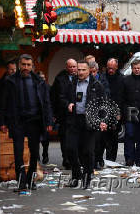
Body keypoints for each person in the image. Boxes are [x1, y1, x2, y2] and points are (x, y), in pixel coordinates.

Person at [0, 54, 52, 191]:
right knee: (18, 152)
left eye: (29, 65)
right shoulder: (10, 81)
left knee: (34, 153)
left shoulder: (39, 82)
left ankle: (30, 179)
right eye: (23, 65)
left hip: (35, 121)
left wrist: (48, 120)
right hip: (17, 121)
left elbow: (46, 102)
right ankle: (21, 182)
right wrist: (2, 122)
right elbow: (3, 102)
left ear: (32, 66)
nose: (26, 68)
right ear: (19, 65)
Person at [60, 60, 106, 189]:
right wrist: (67, 104)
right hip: (73, 121)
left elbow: (103, 104)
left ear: (89, 71)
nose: (80, 72)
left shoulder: (97, 85)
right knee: (70, 149)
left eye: (83, 70)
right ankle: (76, 175)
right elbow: (62, 97)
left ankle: (87, 177)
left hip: (89, 121)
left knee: (87, 151)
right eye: (78, 70)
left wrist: (102, 120)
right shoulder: (72, 83)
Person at [95, 58, 124, 166]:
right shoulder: (102, 77)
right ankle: (99, 160)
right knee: (101, 138)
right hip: (103, 112)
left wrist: (119, 112)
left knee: (113, 139)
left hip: (115, 112)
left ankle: (111, 160)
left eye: (112, 68)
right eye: (108, 68)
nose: (110, 70)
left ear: (116, 67)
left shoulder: (121, 79)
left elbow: (122, 97)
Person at [50, 59, 77, 170]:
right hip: (64, 113)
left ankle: (75, 159)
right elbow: (57, 96)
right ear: (66, 67)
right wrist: (67, 105)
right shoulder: (60, 79)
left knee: (75, 137)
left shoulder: (80, 77)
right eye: (70, 67)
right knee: (65, 137)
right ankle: (66, 159)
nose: (73, 69)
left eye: (74, 67)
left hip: (77, 113)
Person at [36, 71, 51, 164]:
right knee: (36, 139)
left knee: (45, 139)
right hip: (37, 116)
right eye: (40, 77)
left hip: (45, 116)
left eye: (43, 77)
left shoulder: (48, 87)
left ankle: (45, 154)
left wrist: (51, 116)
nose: (42, 79)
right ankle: (36, 157)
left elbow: (50, 102)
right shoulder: (35, 87)